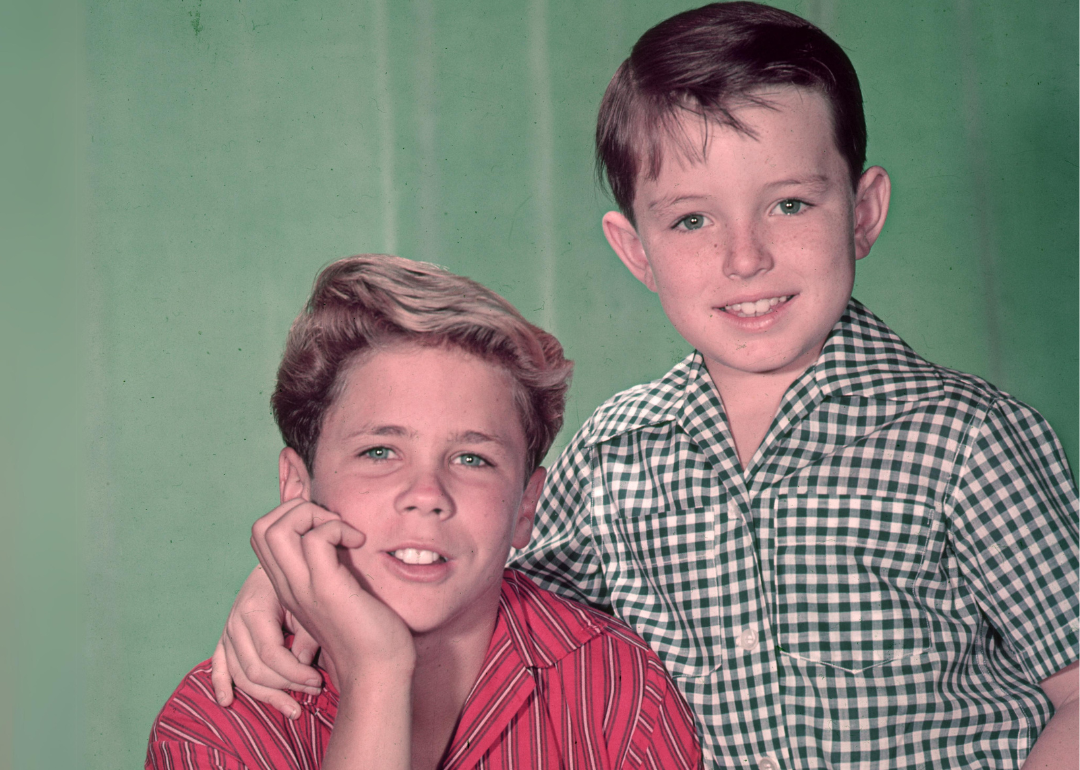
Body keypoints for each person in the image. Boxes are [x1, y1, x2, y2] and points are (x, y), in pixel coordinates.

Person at [208, 4, 1079, 768]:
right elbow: (458, 569)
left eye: (790, 204)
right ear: (636, 250)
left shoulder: (967, 439)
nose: (744, 257)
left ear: (863, 210)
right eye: (692, 218)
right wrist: (295, 582)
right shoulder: (616, 450)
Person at [145, 255, 702, 770]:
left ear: (527, 507)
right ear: (297, 485)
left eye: (472, 458)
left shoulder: (616, 692)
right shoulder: (212, 729)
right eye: (380, 452)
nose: (427, 492)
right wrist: (377, 675)